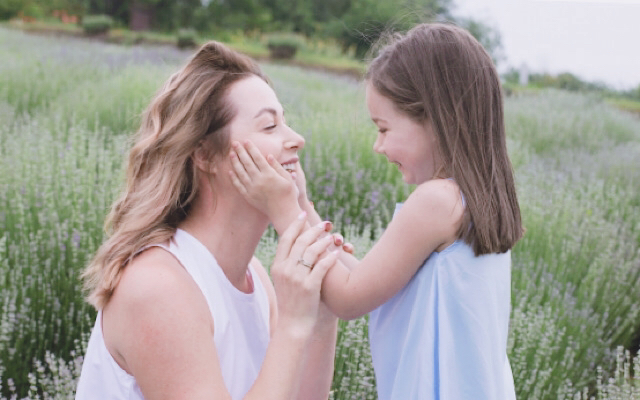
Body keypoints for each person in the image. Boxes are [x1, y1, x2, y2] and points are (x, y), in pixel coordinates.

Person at [229, 23, 523, 399]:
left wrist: (282, 208)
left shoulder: (436, 201)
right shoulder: (468, 201)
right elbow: (373, 282)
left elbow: (348, 298)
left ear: (434, 120)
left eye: (384, 128)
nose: (377, 146)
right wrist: (302, 203)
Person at [75, 41, 347, 400]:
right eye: (269, 126)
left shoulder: (255, 279)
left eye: (286, 123)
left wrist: (321, 315)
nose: (297, 139)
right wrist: (294, 321)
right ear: (205, 154)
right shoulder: (159, 286)